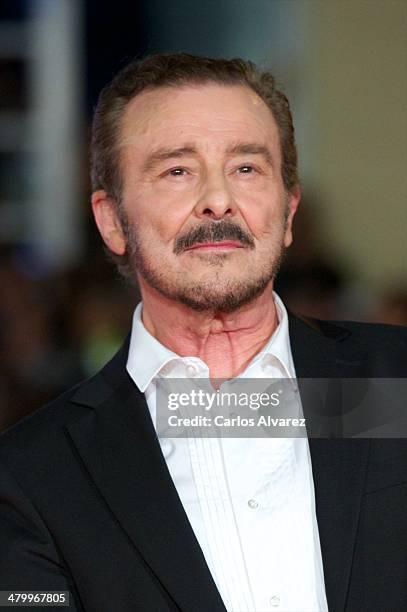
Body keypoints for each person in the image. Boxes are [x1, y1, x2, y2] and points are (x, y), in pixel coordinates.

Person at [0, 53, 406, 612]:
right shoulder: (34, 476)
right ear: (113, 221)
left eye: (246, 168)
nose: (218, 199)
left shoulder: (396, 384)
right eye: (177, 171)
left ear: (288, 212)